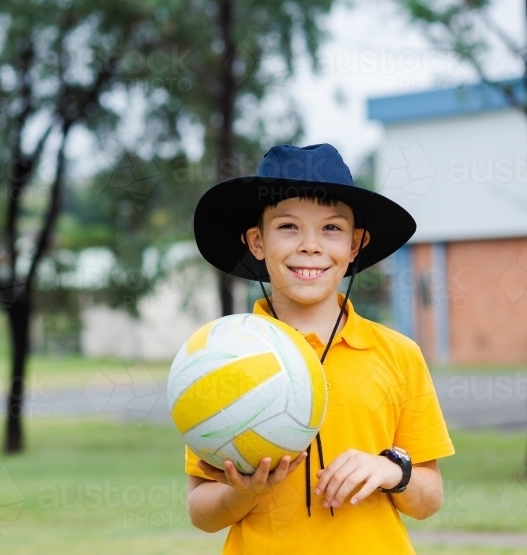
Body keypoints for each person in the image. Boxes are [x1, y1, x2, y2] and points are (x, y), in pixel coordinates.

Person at [185, 143, 454, 554]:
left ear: (356, 244)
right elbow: (201, 512)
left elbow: (429, 499)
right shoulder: (221, 358)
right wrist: (243, 493)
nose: (310, 245)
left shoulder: (398, 354)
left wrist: (389, 469)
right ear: (257, 242)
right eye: (288, 226)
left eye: (331, 228)